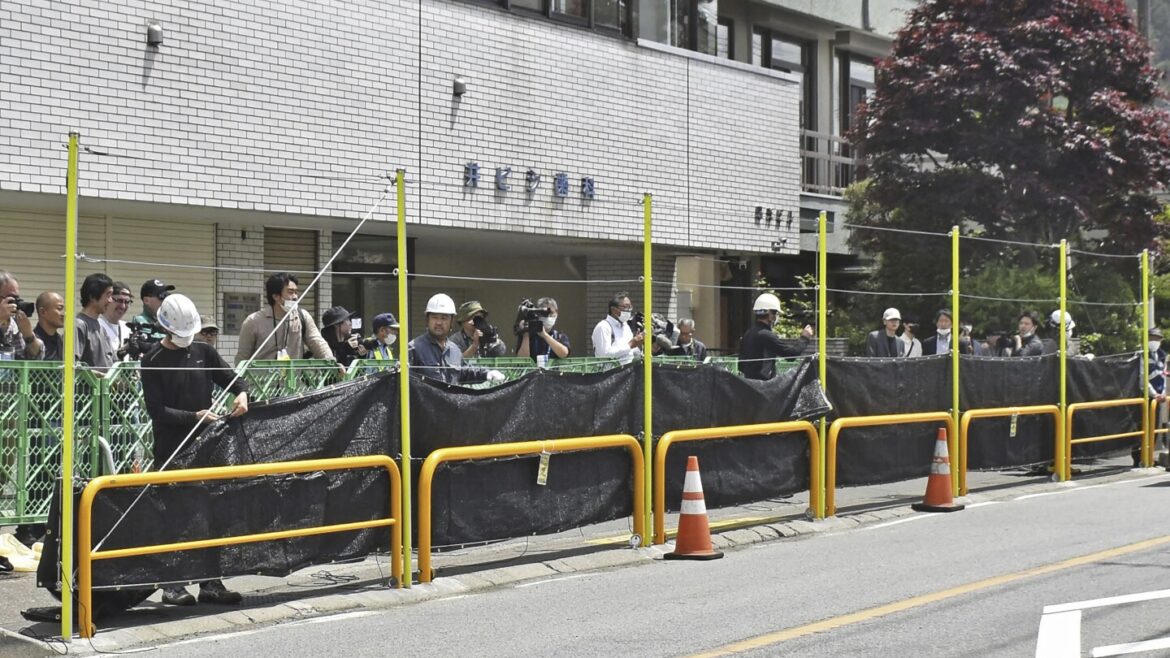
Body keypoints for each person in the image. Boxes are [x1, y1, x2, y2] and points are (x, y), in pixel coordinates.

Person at [140, 293, 248, 606]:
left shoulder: (204, 351)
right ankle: (172, 585)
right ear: (165, 329)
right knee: (175, 517)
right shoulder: (152, 360)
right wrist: (195, 417)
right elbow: (156, 411)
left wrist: (242, 395)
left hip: (207, 447)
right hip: (171, 449)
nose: (187, 340)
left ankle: (211, 583)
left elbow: (234, 380)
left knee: (211, 514)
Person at [235, 272, 333, 364]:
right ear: (276, 296)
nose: (295, 297)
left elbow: (318, 343)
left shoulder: (302, 317)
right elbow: (242, 357)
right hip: (261, 381)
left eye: (296, 292)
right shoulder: (253, 321)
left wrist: (332, 362)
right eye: (290, 292)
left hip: (292, 381)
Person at [408, 293, 504, 385]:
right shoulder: (414, 348)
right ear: (427, 320)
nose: (438, 322)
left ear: (452, 321)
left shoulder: (454, 350)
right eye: (434, 317)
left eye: (444, 318)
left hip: (450, 401)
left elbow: (464, 371)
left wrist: (486, 374)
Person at [738, 292, 814, 381]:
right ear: (770, 314)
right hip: (764, 386)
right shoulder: (766, 335)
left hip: (748, 384)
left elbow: (741, 365)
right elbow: (791, 355)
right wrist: (804, 337)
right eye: (775, 313)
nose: (776, 317)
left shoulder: (748, 333)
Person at [1137, 326, 1167, 467]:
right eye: (1151, 338)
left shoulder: (1162, 355)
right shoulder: (1142, 355)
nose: (1154, 341)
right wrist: (1154, 394)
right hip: (1146, 396)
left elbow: (1164, 376)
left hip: (1159, 397)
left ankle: (1150, 456)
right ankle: (1138, 456)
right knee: (1141, 426)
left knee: (1155, 426)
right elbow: (1143, 378)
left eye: (1156, 338)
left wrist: (1163, 393)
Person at [75, 273, 116, 373]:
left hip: (106, 388)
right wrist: (103, 377)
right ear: (92, 296)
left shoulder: (102, 327)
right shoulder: (78, 325)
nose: (111, 300)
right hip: (86, 388)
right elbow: (73, 366)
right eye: (108, 295)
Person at [0, 271, 44, 360]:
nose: (15, 302)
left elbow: (37, 356)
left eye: (17, 298)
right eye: (11, 298)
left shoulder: (14, 323)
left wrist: (28, 335)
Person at [591, 291, 644, 363]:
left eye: (630, 307)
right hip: (611, 373)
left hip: (628, 371)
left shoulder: (626, 326)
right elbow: (603, 355)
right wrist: (630, 344)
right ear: (613, 309)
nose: (628, 310)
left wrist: (638, 344)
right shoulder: (603, 327)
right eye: (625, 307)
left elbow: (630, 352)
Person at [516, 297, 570, 362]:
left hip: (552, 372)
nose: (548, 317)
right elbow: (522, 360)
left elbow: (564, 354)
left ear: (557, 313)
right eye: (544, 315)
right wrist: (526, 333)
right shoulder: (528, 335)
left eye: (551, 313)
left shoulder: (559, 336)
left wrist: (544, 335)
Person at [100, 281, 133, 360]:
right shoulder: (97, 326)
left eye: (127, 302)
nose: (123, 306)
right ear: (109, 299)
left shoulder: (128, 328)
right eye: (119, 301)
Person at [33, 291, 65, 361]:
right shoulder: (32, 341)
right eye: (59, 308)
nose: (63, 314)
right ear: (43, 312)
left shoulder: (61, 341)